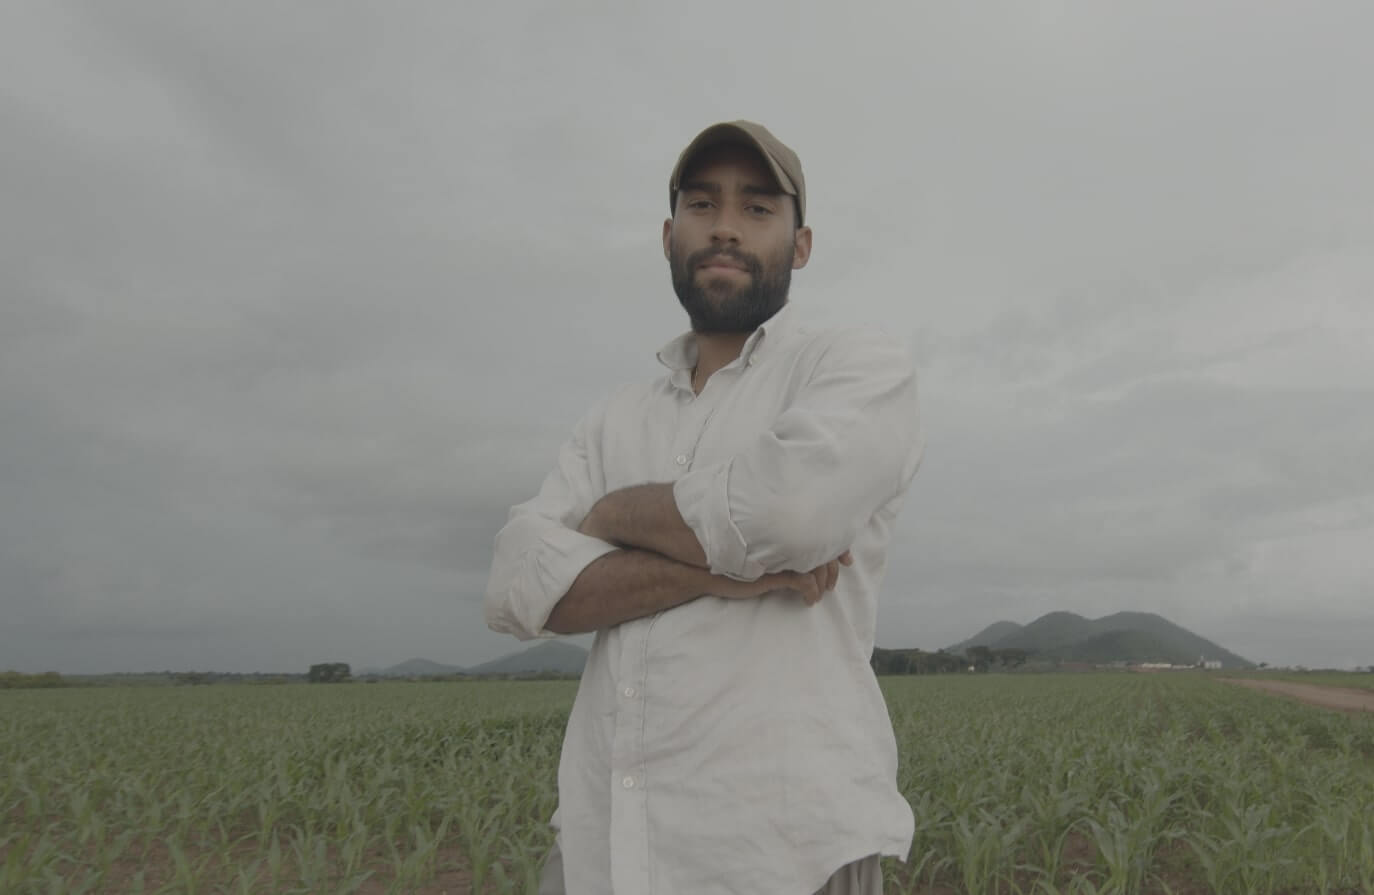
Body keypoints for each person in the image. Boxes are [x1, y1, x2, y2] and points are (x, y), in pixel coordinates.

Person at [485, 120, 922, 895]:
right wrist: (731, 575)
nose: (724, 225)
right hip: (602, 850)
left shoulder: (856, 367)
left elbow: (789, 513)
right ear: (667, 233)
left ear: (802, 244)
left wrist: (611, 516)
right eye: (701, 204)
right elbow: (522, 585)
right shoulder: (611, 419)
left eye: (757, 209)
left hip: (787, 852)